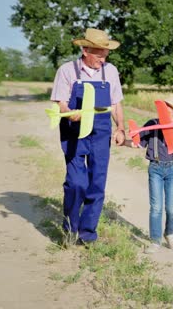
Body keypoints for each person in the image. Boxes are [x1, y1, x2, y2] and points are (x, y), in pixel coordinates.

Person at [50, 28, 126, 245]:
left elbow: (115, 104)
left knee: (97, 184)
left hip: (101, 134)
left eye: (105, 54)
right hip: (74, 133)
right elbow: (60, 102)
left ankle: (87, 234)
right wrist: (70, 112)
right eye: (98, 54)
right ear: (85, 50)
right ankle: (70, 230)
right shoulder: (67, 70)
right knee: (76, 183)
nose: (103, 59)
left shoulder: (110, 72)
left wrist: (120, 128)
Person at [132, 94, 173, 253]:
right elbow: (137, 143)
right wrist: (124, 140)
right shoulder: (152, 124)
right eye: (165, 107)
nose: (166, 110)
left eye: (171, 109)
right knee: (156, 207)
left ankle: (170, 233)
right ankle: (155, 241)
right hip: (156, 169)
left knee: (172, 208)